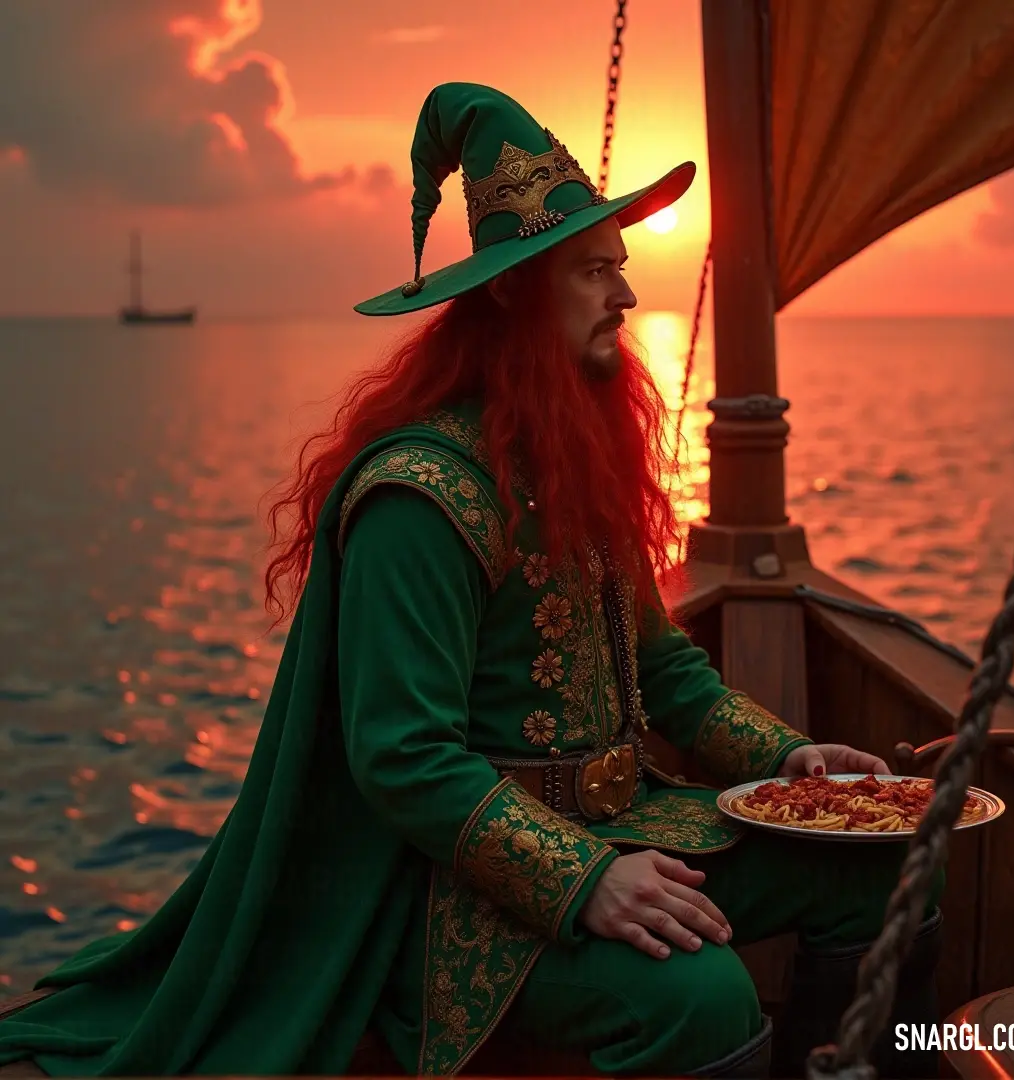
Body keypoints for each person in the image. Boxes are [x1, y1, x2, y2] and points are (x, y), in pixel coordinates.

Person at [0, 83, 945, 1079]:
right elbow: (402, 756)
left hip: (628, 822)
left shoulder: (577, 457)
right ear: (512, 292)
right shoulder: (422, 498)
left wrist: (793, 766)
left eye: (619, 269)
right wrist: (586, 883)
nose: (625, 297)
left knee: (884, 865)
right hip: (450, 899)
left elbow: (666, 672)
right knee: (700, 999)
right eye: (592, 273)